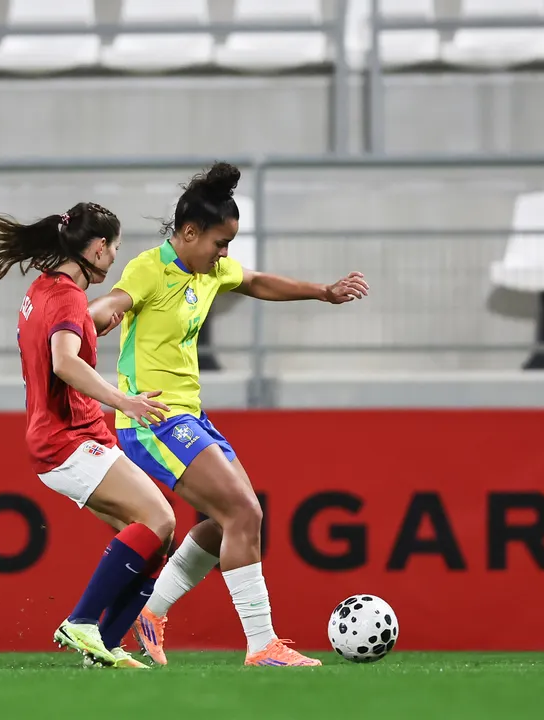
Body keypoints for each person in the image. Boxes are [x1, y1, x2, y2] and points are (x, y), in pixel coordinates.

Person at [89, 163, 369, 667]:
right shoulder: (150, 268)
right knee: (246, 514)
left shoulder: (211, 270)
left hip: (191, 417)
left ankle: (150, 612)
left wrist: (323, 292)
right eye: (220, 243)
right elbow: (113, 301)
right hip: (153, 419)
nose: (225, 255)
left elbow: (258, 282)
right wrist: (87, 319)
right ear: (190, 232)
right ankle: (262, 645)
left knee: (227, 525)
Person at [0, 201, 176, 669]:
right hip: (68, 439)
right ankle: (83, 622)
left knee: (149, 537)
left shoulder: (43, 289)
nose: (115, 258)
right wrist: (123, 401)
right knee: (161, 519)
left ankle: (105, 645)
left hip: (61, 437)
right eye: (115, 248)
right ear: (98, 248)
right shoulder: (67, 298)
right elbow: (63, 362)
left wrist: (90, 328)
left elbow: (56, 349)